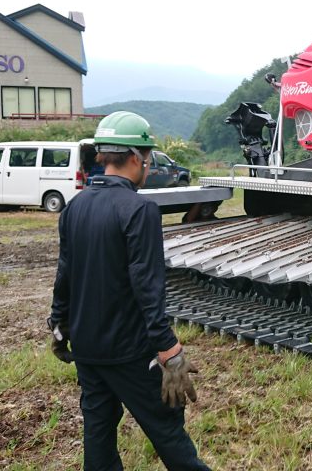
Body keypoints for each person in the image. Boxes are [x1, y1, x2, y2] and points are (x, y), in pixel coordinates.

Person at [48, 111, 210, 471]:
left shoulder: (75, 208)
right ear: (136, 158)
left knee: (98, 428)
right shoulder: (139, 210)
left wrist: (59, 325)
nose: (148, 166)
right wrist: (168, 348)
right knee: (166, 429)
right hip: (129, 351)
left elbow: (65, 275)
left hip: (87, 348)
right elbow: (146, 285)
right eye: (148, 159)